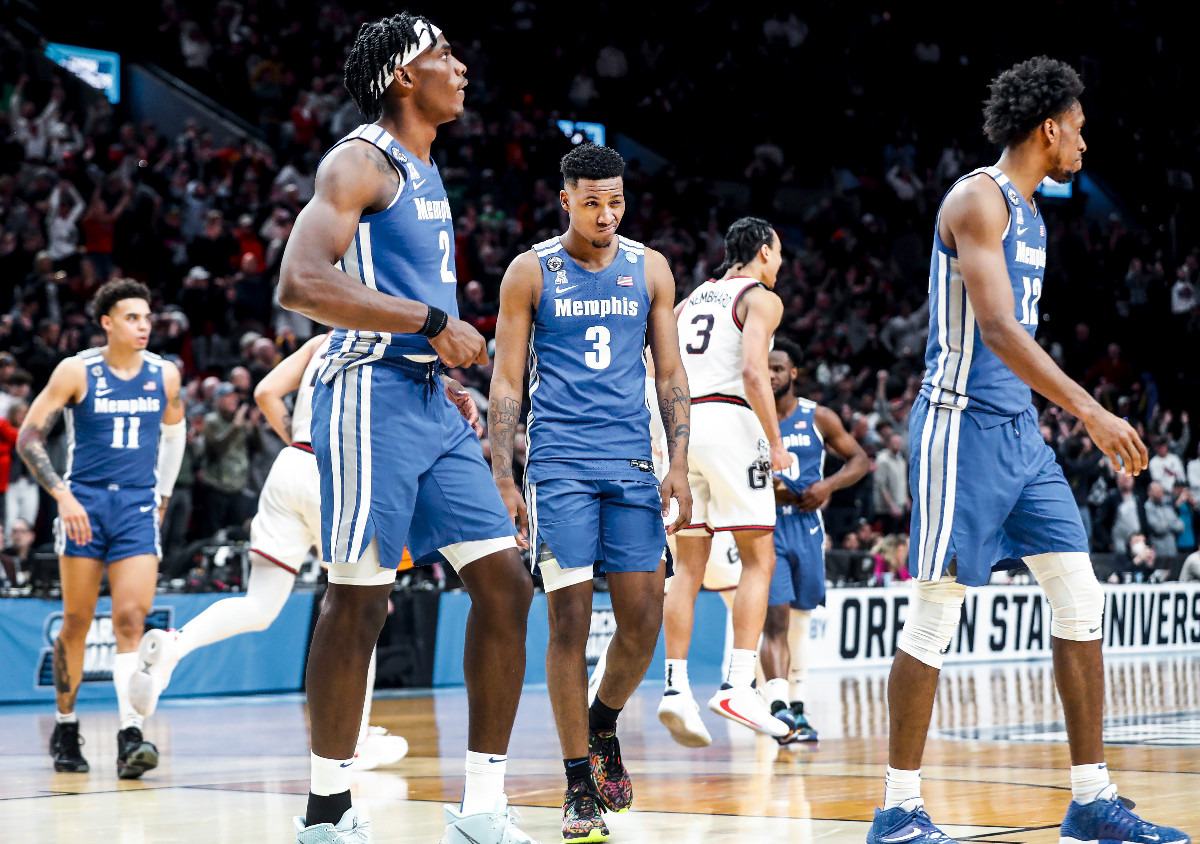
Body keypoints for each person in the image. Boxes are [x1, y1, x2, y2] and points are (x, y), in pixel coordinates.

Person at [866, 57, 1187, 844]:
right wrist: (1090, 412)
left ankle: (1091, 798)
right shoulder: (977, 198)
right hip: (959, 424)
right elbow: (1001, 331)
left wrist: (1057, 419)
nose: (1085, 140)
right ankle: (897, 808)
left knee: (1080, 599)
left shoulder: (1035, 212)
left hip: (1019, 435)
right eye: (1079, 126)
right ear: (1050, 127)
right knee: (938, 611)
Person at [276, 13, 538, 844]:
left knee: (505, 584)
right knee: (360, 599)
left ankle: (483, 806)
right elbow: (299, 282)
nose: (461, 68)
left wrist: (442, 365)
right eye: (443, 56)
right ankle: (326, 812)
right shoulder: (359, 160)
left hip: (432, 401)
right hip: (366, 394)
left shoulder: (427, 166)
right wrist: (429, 321)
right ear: (401, 76)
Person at [489, 143, 692, 843]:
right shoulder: (531, 272)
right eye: (592, 201)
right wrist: (503, 474)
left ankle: (603, 721)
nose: (606, 214)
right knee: (569, 623)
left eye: (616, 201)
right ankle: (578, 782)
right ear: (566, 199)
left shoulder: (651, 268)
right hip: (558, 466)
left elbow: (669, 373)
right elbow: (507, 380)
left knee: (643, 623)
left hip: (634, 465)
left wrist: (681, 462)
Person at [127, 334, 407, 770]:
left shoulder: (322, 340)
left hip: (290, 464)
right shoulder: (388, 341)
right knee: (363, 608)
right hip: (334, 476)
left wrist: (297, 436)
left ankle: (174, 645)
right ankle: (358, 740)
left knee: (258, 604)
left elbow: (264, 391)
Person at [16, 277, 186, 779]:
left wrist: (163, 496)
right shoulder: (77, 370)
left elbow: (175, 435)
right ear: (107, 323)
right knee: (76, 621)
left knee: (132, 620)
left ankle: (130, 735)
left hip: (136, 508)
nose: (144, 326)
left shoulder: (164, 375)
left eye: (148, 318)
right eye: (133, 318)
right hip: (84, 506)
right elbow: (29, 436)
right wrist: (61, 495)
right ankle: (66, 728)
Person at [658, 216, 790, 746]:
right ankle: (738, 683)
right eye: (778, 253)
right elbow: (757, 373)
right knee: (759, 557)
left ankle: (674, 687)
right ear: (762, 251)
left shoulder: (692, 300)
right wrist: (775, 443)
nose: (779, 264)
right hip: (732, 422)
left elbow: (653, 365)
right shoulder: (759, 297)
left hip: (681, 430)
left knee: (687, 565)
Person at [759, 339, 868, 745]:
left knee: (800, 621)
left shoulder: (816, 416)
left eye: (778, 368)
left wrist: (827, 485)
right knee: (775, 620)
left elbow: (859, 460)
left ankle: (797, 706)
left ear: (793, 374)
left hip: (807, 527)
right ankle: (778, 708)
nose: (771, 375)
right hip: (766, 527)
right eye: (765, 368)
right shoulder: (752, 414)